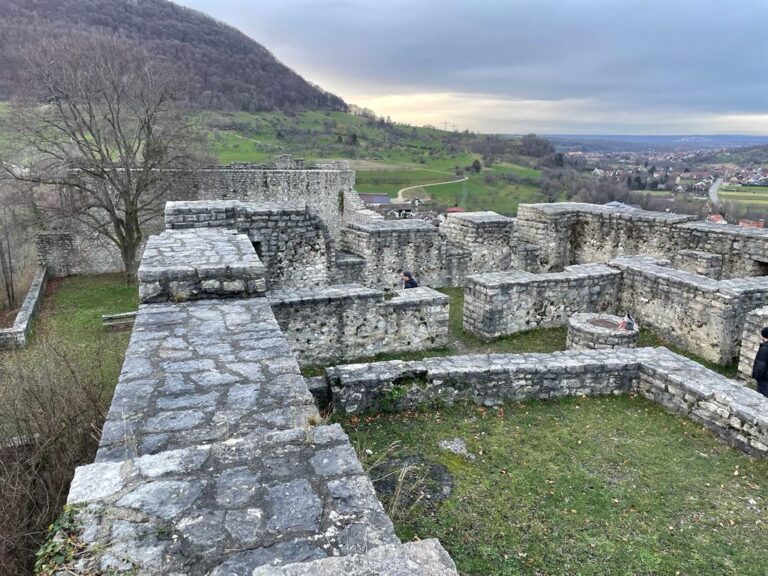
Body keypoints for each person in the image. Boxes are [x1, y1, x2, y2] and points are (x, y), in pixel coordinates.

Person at [753, 327, 768, 398]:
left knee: (761, 397)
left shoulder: (764, 350)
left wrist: (757, 377)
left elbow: (760, 366)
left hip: (764, 379)